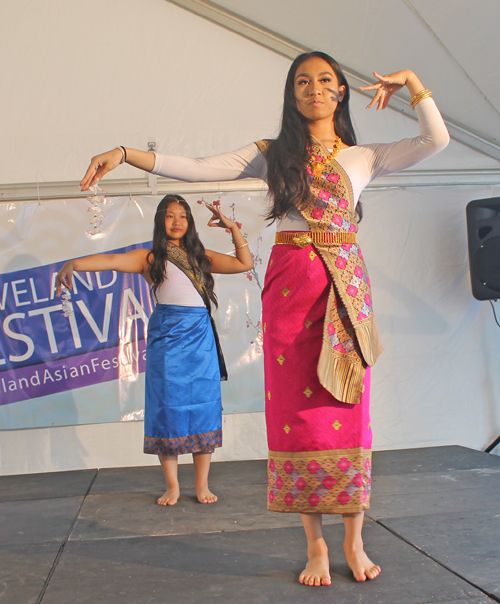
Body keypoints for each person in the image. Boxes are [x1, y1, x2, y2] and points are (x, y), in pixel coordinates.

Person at [79, 51, 449, 585]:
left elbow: (435, 141)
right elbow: (199, 168)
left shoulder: (366, 155)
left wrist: (413, 80)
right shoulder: (272, 153)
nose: (314, 88)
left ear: (342, 90)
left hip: (344, 291)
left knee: (347, 408)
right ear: (291, 93)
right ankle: (316, 546)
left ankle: (354, 538)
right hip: (292, 285)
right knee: (297, 418)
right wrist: (125, 153)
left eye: (325, 80)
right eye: (302, 81)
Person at [57, 195, 253, 506]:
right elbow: (109, 261)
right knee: (167, 407)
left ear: (189, 223)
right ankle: (172, 486)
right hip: (167, 336)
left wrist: (232, 229)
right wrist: (73, 264)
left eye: (183, 216)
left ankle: (201, 485)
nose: (177, 221)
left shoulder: (201, 256)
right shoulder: (149, 258)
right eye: (170, 216)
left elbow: (245, 263)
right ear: (160, 221)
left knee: (202, 406)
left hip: (200, 337)